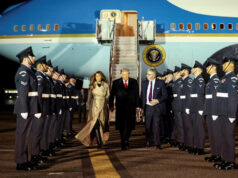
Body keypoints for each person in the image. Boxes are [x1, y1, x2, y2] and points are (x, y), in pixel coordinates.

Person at [14, 46, 40, 171]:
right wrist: (24, 109)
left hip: (30, 107)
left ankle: (24, 160)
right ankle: (21, 162)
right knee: (22, 135)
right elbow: (23, 92)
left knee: (26, 135)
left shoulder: (29, 71)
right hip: (25, 107)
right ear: (25, 59)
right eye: (32, 56)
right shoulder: (23, 72)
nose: (34, 58)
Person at [214, 54, 238, 170]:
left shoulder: (232, 78)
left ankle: (231, 162)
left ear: (230, 64)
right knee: (223, 136)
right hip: (222, 112)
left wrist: (232, 115)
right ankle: (225, 159)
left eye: (224, 63)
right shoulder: (224, 78)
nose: (222, 66)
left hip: (228, 114)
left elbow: (233, 98)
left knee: (228, 137)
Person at [75, 71, 110, 147]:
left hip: (103, 106)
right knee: (95, 123)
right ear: (95, 77)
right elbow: (89, 98)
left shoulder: (106, 85)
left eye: (99, 76)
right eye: (96, 76)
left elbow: (108, 96)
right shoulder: (92, 85)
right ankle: (99, 141)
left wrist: (109, 105)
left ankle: (97, 141)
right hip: (94, 106)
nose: (98, 77)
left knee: (102, 123)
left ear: (102, 77)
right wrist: (87, 107)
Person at [109, 68, 139, 150]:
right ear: (121, 74)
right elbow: (112, 95)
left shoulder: (134, 82)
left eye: (127, 74)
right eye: (124, 74)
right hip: (120, 108)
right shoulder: (116, 83)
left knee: (129, 125)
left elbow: (137, 95)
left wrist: (137, 106)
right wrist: (111, 105)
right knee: (121, 126)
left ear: (129, 74)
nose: (125, 76)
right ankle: (123, 141)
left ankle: (127, 140)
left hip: (131, 108)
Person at [141, 68, 168, 149]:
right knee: (147, 125)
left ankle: (157, 143)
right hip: (148, 107)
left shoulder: (161, 83)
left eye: (148, 74)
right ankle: (147, 141)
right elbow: (142, 95)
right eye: (147, 74)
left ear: (153, 75)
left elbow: (165, 95)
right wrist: (140, 107)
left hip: (157, 108)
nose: (147, 75)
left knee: (156, 125)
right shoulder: (144, 83)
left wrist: (157, 100)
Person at [203, 58, 222, 163]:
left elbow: (215, 98)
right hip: (209, 111)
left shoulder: (215, 81)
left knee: (216, 134)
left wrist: (214, 112)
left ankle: (219, 155)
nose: (206, 68)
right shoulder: (210, 80)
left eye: (208, 66)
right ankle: (214, 154)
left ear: (213, 67)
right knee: (211, 134)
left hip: (214, 112)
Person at [189, 61, 206, 155]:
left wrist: (200, 108)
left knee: (199, 128)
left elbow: (200, 94)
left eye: (193, 68)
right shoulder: (195, 79)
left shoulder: (200, 80)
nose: (192, 69)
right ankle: (196, 146)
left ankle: (201, 147)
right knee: (195, 127)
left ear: (198, 69)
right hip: (193, 107)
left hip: (198, 107)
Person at [180, 63, 193, 153]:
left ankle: (190, 144)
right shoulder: (183, 81)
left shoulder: (189, 81)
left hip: (186, 106)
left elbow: (189, 95)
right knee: (185, 126)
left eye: (182, 70)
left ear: (186, 71)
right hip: (182, 106)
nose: (180, 71)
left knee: (189, 127)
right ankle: (186, 143)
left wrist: (188, 107)